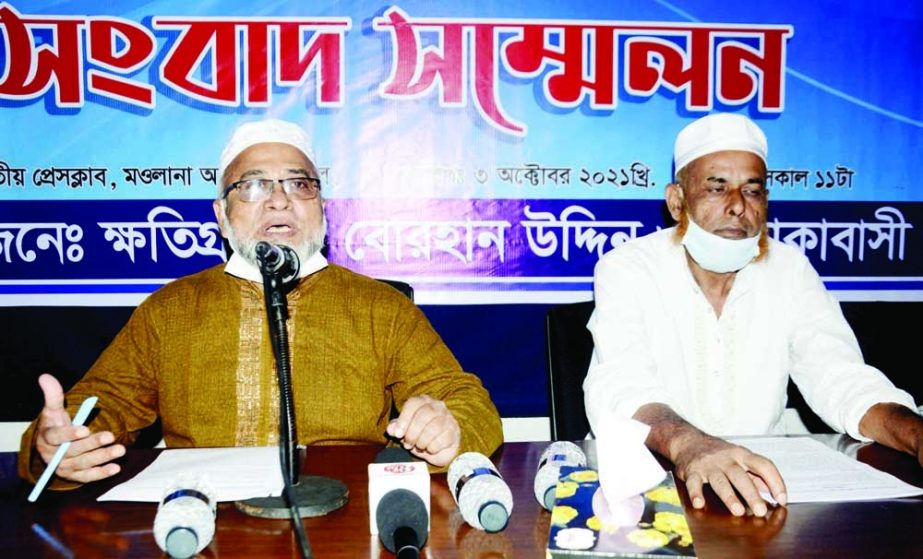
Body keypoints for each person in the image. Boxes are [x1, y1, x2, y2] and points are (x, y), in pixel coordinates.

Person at [19, 119, 503, 488]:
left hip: (347, 516)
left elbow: (468, 402)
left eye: (300, 184)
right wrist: (57, 446)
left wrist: (451, 429)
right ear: (222, 216)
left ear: (321, 208)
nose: (279, 201)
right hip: (203, 519)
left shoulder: (380, 306)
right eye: (252, 185)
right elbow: (100, 408)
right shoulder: (170, 309)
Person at [584, 113, 922, 518]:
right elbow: (625, 387)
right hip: (646, 487)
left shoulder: (790, 269)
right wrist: (691, 444)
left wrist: (914, 432)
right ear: (677, 201)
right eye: (716, 187)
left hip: (757, 493)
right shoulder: (627, 268)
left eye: (752, 190)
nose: (737, 206)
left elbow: (840, 377)